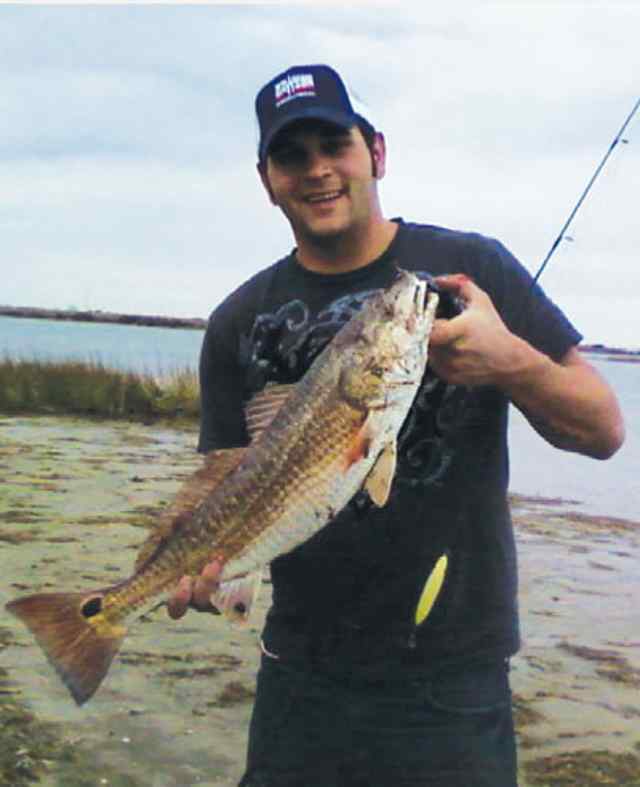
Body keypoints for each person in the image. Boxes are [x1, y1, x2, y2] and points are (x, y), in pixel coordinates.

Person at [167, 64, 625, 786]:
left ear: (375, 152)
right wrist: (191, 563)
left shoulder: (470, 269)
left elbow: (603, 430)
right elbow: (222, 477)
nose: (317, 170)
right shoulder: (234, 321)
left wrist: (513, 362)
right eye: (292, 155)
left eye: (334, 145)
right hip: (299, 676)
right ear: (267, 179)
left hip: (453, 680)